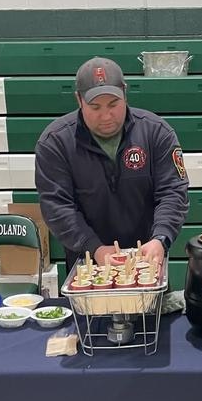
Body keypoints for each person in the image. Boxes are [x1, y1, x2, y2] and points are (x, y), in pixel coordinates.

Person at [34, 57, 188, 270]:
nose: (106, 116)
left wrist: (161, 238)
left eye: (114, 104)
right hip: (87, 263)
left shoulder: (157, 133)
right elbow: (57, 206)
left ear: (125, 92)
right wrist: (94, 248)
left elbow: (172, 192)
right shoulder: (55, 142)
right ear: (78, 99)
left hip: (148, 261)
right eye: (95, 107)